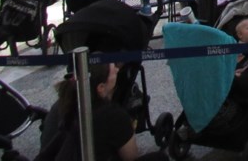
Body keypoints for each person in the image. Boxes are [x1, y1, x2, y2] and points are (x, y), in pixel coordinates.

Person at [40, 61, 168, 161]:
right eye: (114, 70)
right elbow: (131, 156)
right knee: (160, 158)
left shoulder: (60, 105)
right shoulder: (112, 114)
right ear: (101, 87)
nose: (118, 70)